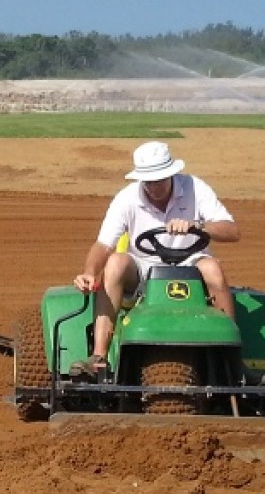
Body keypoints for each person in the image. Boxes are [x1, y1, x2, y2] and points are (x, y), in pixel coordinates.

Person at [70, 141, 241, 377]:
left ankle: (231, 359)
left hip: (190, 263)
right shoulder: (126, 199)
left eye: (159, 180)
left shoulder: (195, 188)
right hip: (143, 267)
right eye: (148, 181)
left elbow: (232, 231)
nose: (153, 187)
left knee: (213, 268)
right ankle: (99, 357)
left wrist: (197, 226)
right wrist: (89, 272)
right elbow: (103, 244)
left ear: (172, 174)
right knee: (116, 262)